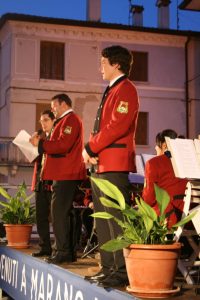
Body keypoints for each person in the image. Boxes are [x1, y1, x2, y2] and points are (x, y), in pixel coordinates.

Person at [82, 45, 139, 287]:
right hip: (105, 162)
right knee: (104, 220)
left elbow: (117, 126)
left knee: (115, 219)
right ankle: (108, 267)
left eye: (103, 63)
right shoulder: (114, 89)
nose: (100, 68)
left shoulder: (126, 89)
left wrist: (91, 148)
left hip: (114, 162)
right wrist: (95, 153)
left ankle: (120, 271)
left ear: (116, 64)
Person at [30, 93, 86, 264]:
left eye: (54, 105)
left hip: (66, 173)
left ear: (63, 104)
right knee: (63, 213)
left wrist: (40, 144)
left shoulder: (71, 120)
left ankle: (62, 251)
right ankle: (67, 251)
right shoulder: (64, 121)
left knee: (59, 213)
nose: (52, 109)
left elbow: (63, 145)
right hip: (63, 173)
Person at [142, 129, 188, 228]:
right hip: (190, 215)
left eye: (157, 145)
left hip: (167, 218)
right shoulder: (188, 162)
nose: (155, 147)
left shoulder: (154, 163)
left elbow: (148, 199)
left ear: (164, 145)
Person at [31, 110, 55, 257]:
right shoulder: (40, 138)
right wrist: (33, 146)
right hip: (40, 181)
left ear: (53, 121)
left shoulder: (55, 137)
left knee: (56, 217)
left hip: (52, 182)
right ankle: (44, 246)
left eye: (46, 120)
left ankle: (58, 248)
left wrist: (41, 144)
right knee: (40, 217)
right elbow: (34, 159)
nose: (43, 124)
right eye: (41, 121)